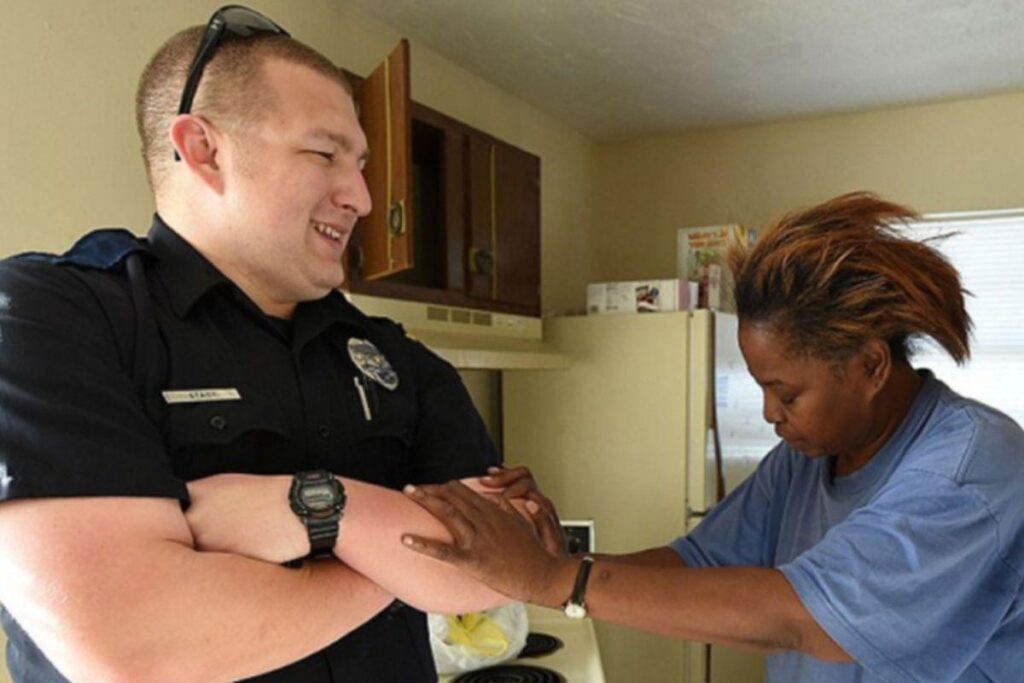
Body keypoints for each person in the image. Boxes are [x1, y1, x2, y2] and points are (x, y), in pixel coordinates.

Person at [0, 6, 560, 682]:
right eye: (324, 153)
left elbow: (507, 560)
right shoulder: (50, 315)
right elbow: (141, 645)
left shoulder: (396, 358)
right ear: (202, 149)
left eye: (360, 164)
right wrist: (401, 560)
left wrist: (320, 509)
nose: (359, 195)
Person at [401, 192, 1024, 682]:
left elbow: (805, 618)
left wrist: (554, 582)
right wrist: (557, 561)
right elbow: (698, 561)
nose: (771, 414)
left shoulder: (969, 470)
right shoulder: (807, 458)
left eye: (787, 392)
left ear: (869, 364)